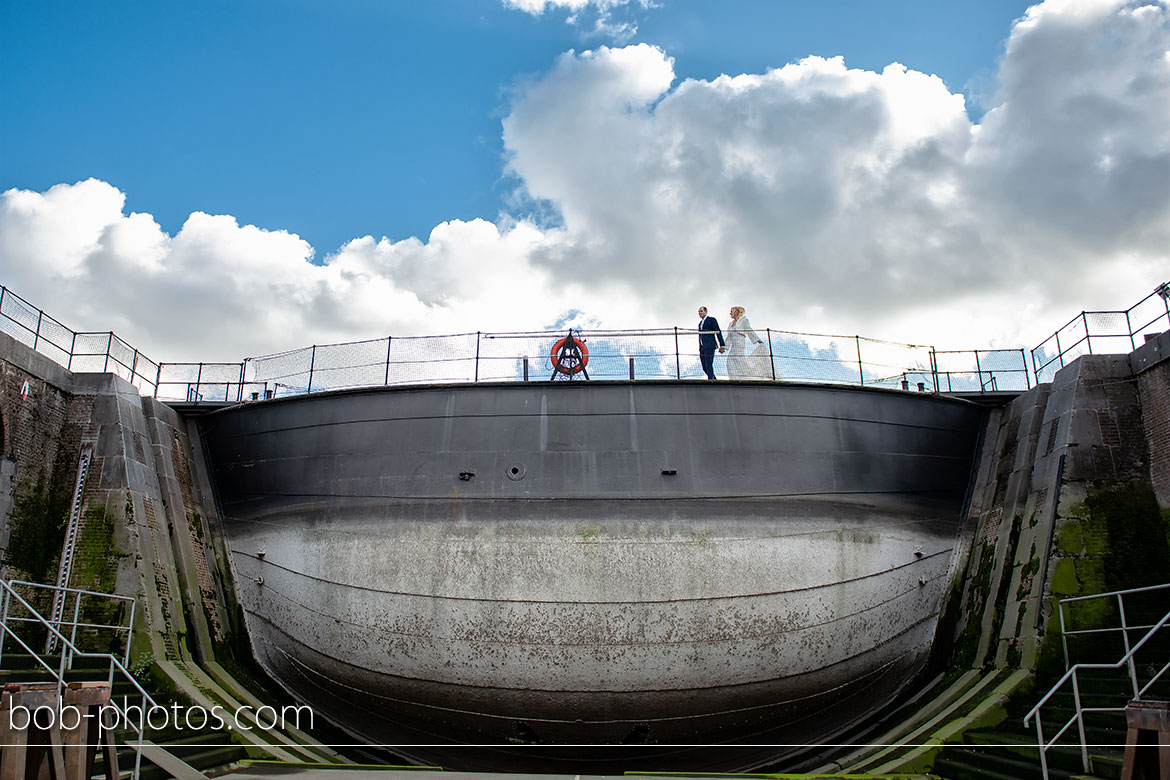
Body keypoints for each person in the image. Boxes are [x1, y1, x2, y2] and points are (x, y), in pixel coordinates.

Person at [725, 306, 772, 380]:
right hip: (733, 345)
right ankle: (734, 378)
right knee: (729, 361)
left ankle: (742, 377)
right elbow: (728, 337)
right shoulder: (730, 324)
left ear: (737, 312)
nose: (730, 313)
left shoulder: (743, 320)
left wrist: (757, 340)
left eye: (732, 311)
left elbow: (749, 330)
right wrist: (724, 347)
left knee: (738, 360)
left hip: (740, 342)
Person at [696, 306, 725, 380]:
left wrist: (722, 345)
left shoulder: (711, 320)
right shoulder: (700, 324)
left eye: (701, 311)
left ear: (706, 312)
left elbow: (718, 331)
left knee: (709, 364)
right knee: (704, 366)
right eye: (699, 311)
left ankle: (711, 380)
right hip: (702, 347)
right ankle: (714, 379)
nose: (700, 313)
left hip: (709, 345)